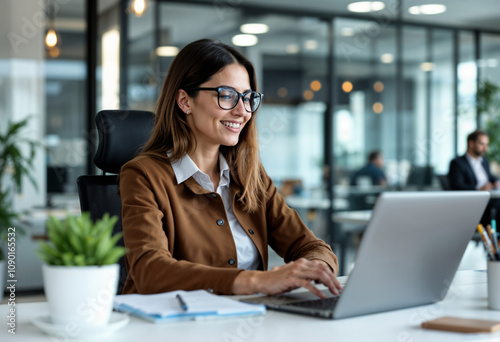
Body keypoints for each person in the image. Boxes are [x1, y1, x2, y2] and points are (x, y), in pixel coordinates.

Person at [119, 39, 342, 298]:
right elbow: (151, 271)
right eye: (227, 95)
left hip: (248, 322)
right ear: (185, 101)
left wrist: (316, 269)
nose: (242, 111)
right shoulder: (143, 175)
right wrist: (257, 281)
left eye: (248, 98)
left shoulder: (249, 174)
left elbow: (310, 245)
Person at [448, 129, 500, 224]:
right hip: (473, 201)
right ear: (471, 144)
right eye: (482, 144)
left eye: (486, 145)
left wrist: (496, 182)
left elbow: (489, 176)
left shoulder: (484, 161)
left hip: (490, 196)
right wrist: (479, 189)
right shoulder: (457, 163)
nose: (486, 148)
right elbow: (456, 186)